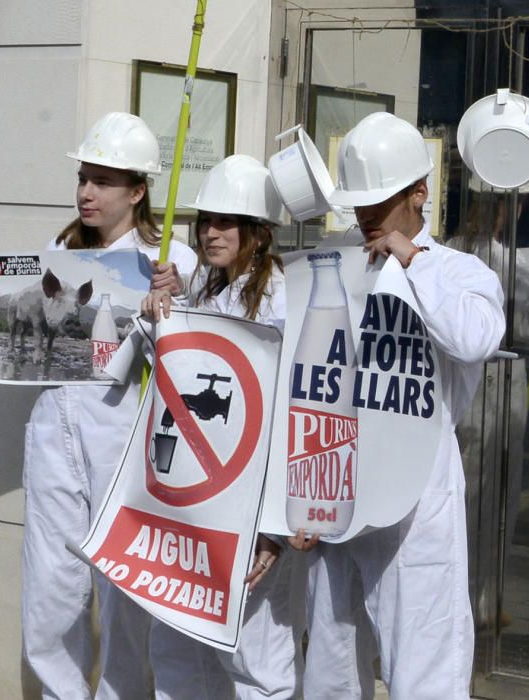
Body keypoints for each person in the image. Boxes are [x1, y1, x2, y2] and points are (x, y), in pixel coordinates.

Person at [0, 112, 197, 699]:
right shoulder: (59, 248)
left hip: (124, 438)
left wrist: (174, 301)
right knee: (50, 589)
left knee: (124, 590)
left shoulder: (172, 259)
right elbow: (35, 333)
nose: (86, 192)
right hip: (53, 430)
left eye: (102, 180)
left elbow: (197, 354)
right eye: (83, 177)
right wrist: (2, 305)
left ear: (139, 190)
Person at [297, 111, 506, 700]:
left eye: (379, 202)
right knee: (329, 673)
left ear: (420, 192)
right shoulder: (334, 264)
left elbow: (475, 338)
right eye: (358, 204)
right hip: (335, 486)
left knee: (424, 670)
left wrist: (409, 259)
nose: (364, 216)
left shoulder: (458, 271)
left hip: (417, 501)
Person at [142, 154, 308, 700]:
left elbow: (292, 410)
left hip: (256, 507)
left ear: (258, 232)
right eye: (206, 221)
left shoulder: (287, 298)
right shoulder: (206, 293)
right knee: (179, 649)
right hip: (198, 504)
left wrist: (278, 526)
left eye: (225, 222)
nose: (211, 232)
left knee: (256, 661)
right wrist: (158, 323)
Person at [447, 172, 529, 628]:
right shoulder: (508, 264)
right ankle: (479, 601)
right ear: (508, 207)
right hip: (497, 378)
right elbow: (526, 328)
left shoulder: (446, 249)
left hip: (460, 381)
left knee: (465, 494)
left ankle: (467, 598)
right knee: (493, 495)